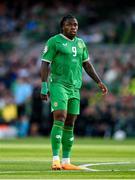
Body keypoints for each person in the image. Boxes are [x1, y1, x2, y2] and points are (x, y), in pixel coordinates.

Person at [40, 14, 108, 170]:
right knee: (60, 116)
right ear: (62, 26)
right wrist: (44, 85)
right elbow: (45, 64)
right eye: (70, 25)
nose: (74, 28)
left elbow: (87, 65)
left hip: (74, 87)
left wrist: (99, 82)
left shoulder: (81, 43)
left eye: (76, 25)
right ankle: (55, 159)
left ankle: (66, 161)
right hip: (58, 84)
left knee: (70, 122)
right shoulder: (54, 41)